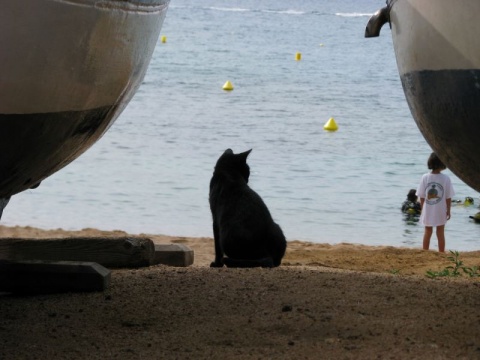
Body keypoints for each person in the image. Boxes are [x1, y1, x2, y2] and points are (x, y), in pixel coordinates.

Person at [416, 153, 455, 252]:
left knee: (428, 231)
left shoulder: (425, 177)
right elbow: (448, 197)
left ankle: (425, 251)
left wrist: (422, 209)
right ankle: (441, 252)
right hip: (440, 209)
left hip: (428, 209)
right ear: (442, 163)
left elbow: (421, 196)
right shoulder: (446, 178)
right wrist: (448, 210)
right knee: (440, 232)